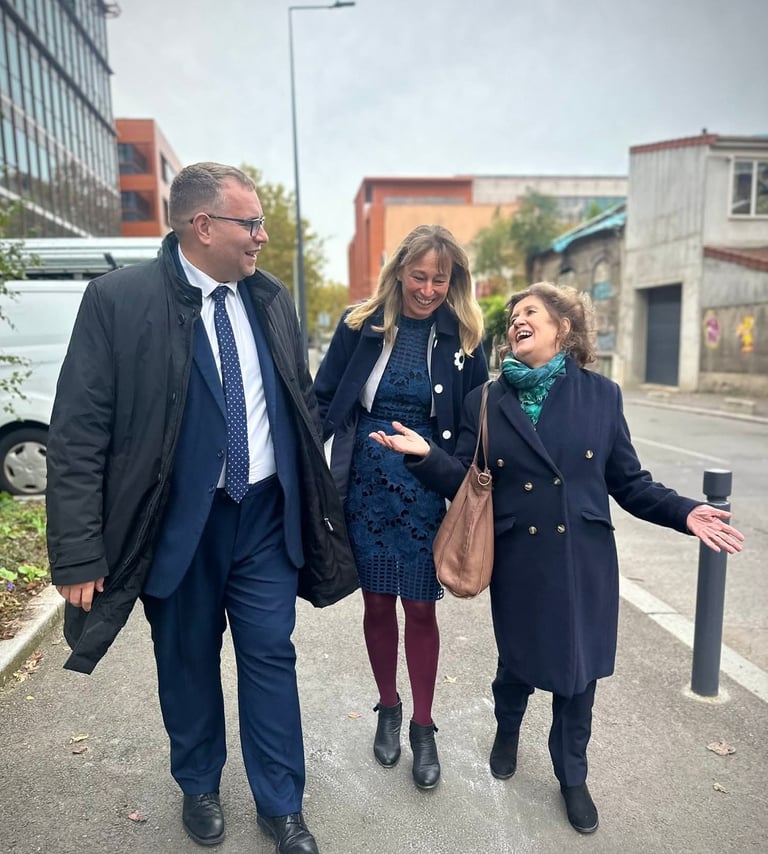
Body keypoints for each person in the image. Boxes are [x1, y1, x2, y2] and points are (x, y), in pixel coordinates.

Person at [46, 162, 358, 854]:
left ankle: (282, 804)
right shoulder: (118, 301)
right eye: (252, 223)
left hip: (264, 518)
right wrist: (76, 551)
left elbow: (298, 401)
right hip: (177, 525)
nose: (262, 236)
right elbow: (78, 431)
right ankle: (199, 784)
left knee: (270, 655)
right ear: (204, 225)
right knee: (186, 661)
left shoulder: (269, 298)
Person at [371, 282, 744, 832]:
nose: (516, 321)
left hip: (582, 560)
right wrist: (426, 456)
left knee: (578, 676)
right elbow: (467, 481)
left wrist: (685, 512)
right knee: (516, 665)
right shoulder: (485, 401)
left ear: (562, 328)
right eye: (513, 316)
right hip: (519, 558)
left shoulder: (601, 396)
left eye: (530, 312)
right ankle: (507, 730)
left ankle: (572, 775)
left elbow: (630, 483)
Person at [313, 224, 488, 790]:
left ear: (453, 280)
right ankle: (388, 706)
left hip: (424, 488)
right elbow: (322, 401)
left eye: (440, 279)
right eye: (419, 276)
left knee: (420, 607)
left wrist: (445, 470)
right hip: (365, 484)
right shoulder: (360, 324)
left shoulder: (465, 339)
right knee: (376, 602)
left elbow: (475, 429)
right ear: (399, 272)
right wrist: (295, 465)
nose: (429, 289)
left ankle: (423, 725)